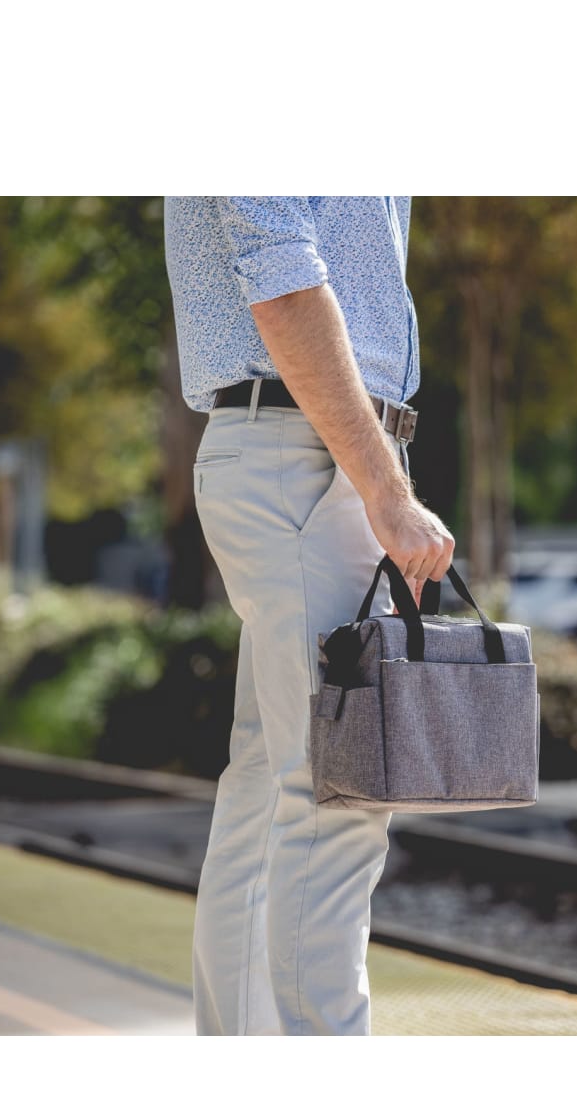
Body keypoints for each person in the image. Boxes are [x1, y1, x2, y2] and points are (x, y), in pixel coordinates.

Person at [163, 197, 455, 1036]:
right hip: (307, 456)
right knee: (339, 790)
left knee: (270, 784)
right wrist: (387, 493)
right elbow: (283, 280)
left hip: (311, 449)